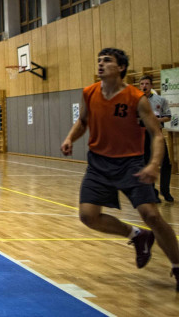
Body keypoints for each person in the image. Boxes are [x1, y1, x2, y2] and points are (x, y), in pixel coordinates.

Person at [61, 48, 179, 291]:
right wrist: (70, 138)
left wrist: (154, 164)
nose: (101, 64)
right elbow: (83, 122)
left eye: (107, 61)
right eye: (99, 60)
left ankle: (178, 265)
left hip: (130, 163)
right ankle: (136, 235)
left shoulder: (137, 98)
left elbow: (157, 135)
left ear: (121, 68)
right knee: (88, 216)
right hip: (98, 164)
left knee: (153, 215)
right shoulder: (89, 93)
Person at [139, 75, 173, 202]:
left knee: (166, 163)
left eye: (147, 83)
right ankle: (152, 193)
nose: (144, 86)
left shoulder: (160, 100)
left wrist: (158, 120)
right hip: (144, 135)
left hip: (157, 133)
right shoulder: (136, 101)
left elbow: (168, 116)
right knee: (147, 163)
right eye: (142, 84)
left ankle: (166, 191)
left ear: (151, 86)